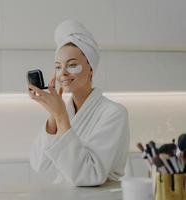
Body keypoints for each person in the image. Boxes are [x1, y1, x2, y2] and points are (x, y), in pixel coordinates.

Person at [28, 19, 130, 186]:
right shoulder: (64, 112)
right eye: (58, 67)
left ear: (90, 68)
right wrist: (54, 116)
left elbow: (90, 176)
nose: (63, 74)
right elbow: (39, 164)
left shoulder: (114, 113)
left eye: (72, 65)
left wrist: (60, 116)